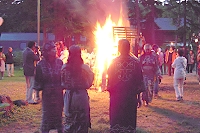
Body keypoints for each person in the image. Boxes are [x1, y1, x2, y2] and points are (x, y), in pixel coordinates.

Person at [107, 39, 144, 132]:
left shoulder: (113, 62)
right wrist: (138, 97)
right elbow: (139, 81)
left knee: (117, 119)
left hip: (117, 97)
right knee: (129, 118)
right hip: (130, 96)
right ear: (129, 48)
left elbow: (110, 80)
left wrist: (111, 94)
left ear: (119, 48)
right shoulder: (136, 63)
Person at [61, 45, 94, 133]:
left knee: (70, 120)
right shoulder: (85, 68)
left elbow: (62, 82)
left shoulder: (64, 68)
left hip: (69, 96)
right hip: (81, 96)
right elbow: (89, 83)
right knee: (82, 120)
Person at [34, 42, 64, 133]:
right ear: (47, 52)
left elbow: (63, 77)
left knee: (58, 115)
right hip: (47, 94)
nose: (55, 50)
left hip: (58, 93)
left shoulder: (59, 62)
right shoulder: (41, 64)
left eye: (55, 49)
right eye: (52, 49)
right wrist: (37, 95)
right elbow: (38, 80)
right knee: (47, 116)